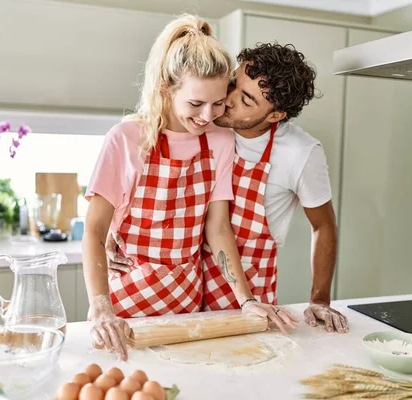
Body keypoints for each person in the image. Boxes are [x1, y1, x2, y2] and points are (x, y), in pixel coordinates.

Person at [83, 15, 298, 361]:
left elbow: (218, 227)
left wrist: (246, 299)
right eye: (195, 104)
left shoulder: (221, 140)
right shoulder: (126, 139)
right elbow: (93, 231)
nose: (206, 116)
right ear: (166, 89)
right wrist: (101, 309)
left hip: (188, 308)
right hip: (126, 310)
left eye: (217, 103)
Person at [204, 42, 349, 334]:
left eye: (246, 100)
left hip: (252, 296)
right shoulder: (204, 121)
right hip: (187, 283)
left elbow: (323, 226)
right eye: (233, 84)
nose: (228, 99)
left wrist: (319, 300)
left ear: (275, 116)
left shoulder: (301, 152)